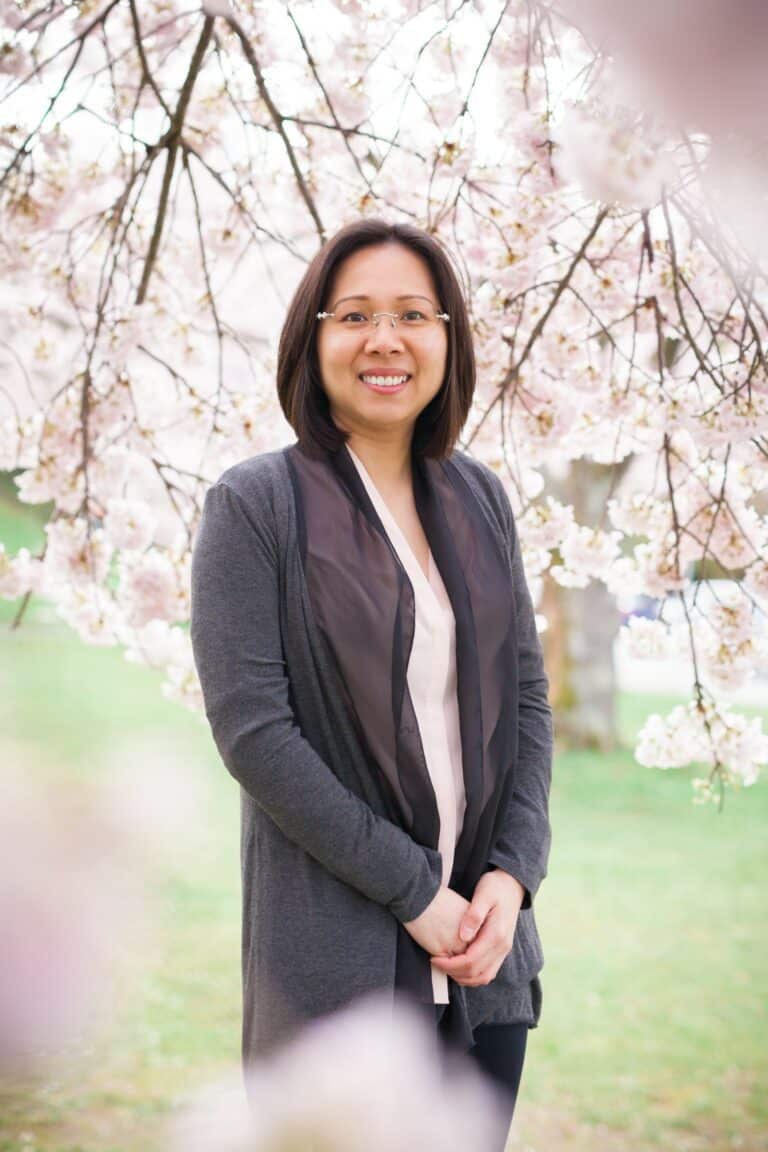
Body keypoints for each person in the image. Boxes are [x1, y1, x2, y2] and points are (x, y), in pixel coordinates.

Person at [190, 218, 553, 1150]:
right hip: (333, 971)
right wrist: (418, 896)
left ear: (447, 338)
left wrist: (510, 880)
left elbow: (525, 702)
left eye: (411, 315)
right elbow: (256, 737)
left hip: (485, 961)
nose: (384, 340)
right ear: (313, 340)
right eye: (353, 315)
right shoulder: (254, 506)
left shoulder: (479, 498)